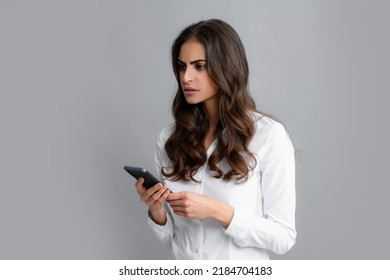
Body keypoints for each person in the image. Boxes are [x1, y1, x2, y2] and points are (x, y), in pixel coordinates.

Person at [135, 19, 296, 260]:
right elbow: (170, 239)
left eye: (199, 66)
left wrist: (219, 211)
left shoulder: (268, 135)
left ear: (226, 67)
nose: (186, 77)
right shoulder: (169, 138)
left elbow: (284, 237)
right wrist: (156, 209)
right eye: (181, 66)